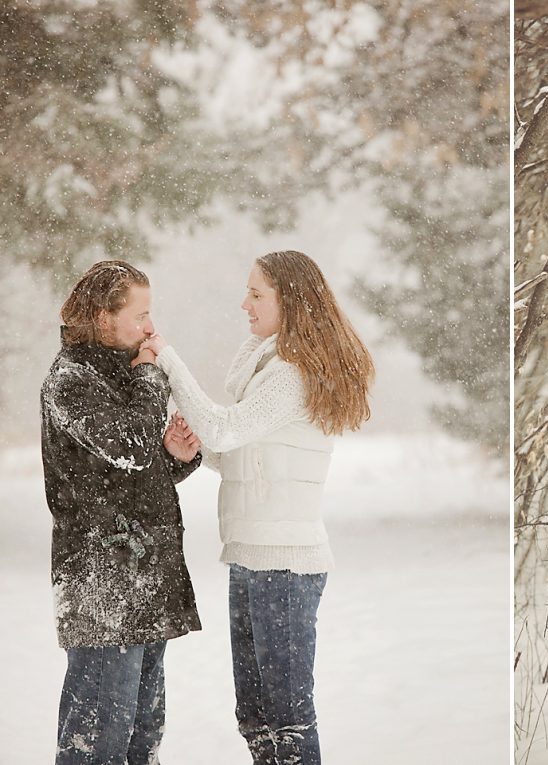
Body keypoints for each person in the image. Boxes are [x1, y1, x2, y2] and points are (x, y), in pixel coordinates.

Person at [140, 250, 374, 764]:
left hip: (286, 563)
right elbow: (235, 452)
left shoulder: (292, 374)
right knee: (256, 717)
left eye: (255, 293)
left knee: (286, 720)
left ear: (288, 299)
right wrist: (196, 448)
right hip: (249, 556)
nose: (243, 303)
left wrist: (169, 361)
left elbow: (225, 426)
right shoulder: (270, 367)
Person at [40, 260, 203, 764]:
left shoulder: (124, 376)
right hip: (101, 587)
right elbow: (131, 446)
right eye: (141, 314)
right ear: (104, 317)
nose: (151, 327)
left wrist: (176, 459)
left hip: (146, 583)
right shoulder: (70, 381)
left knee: (141, 743)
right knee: (98, 745)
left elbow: (125, 477)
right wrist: (152, 375)